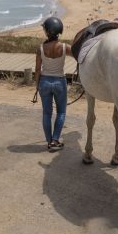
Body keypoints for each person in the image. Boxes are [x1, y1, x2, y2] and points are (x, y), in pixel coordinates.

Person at [35, 16, 73, 151]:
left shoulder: (40, 48)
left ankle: (49, 141)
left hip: (44, 81)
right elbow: (79, 56)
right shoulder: (65, 47)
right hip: (59, 82)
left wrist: (36, 86)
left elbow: (38, 70)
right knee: (61, 112)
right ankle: (55, 140)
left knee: (46, 113)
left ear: (47, 32)